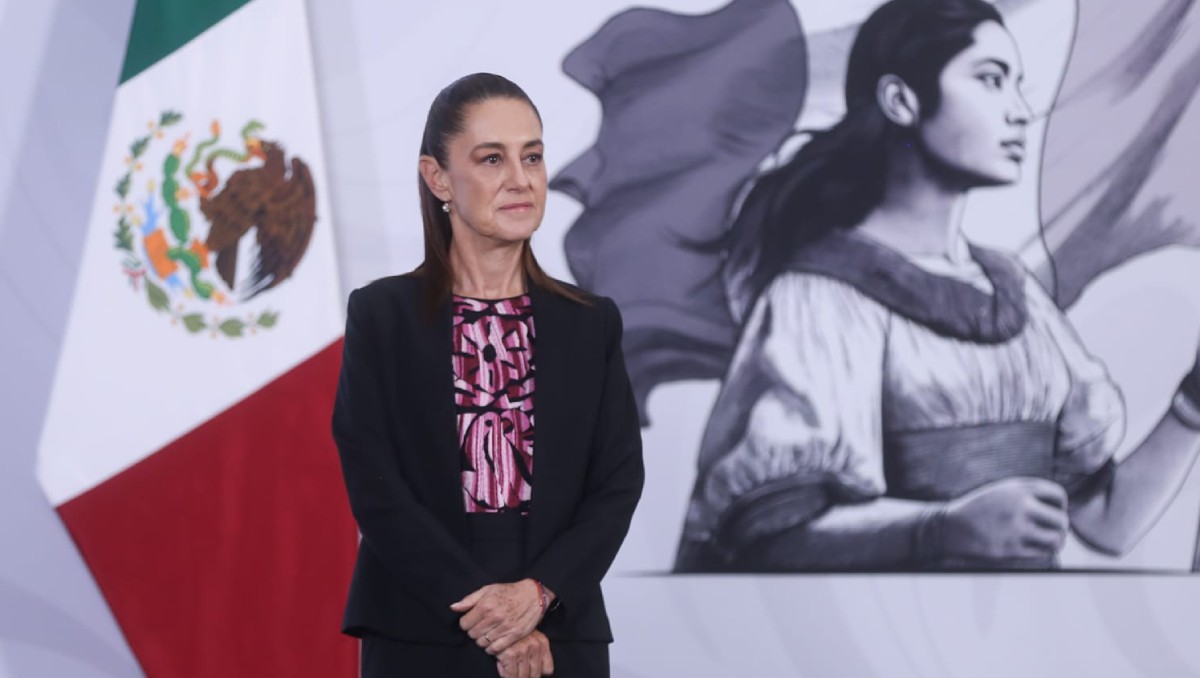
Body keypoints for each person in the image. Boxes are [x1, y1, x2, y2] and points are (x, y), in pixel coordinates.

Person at [674, 0, 1200, 572]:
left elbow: (1106, 521)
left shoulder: (1015, 293)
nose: (1021, 111)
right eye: (991, 80)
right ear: (902, 101)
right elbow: (766, 536)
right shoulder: (819, 298)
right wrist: (940, 529)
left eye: (1017, 85)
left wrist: (1193, 402)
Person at [333, 72, 644, 677]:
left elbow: (617, 484)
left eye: (532, 156)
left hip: (560, 631)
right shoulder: (380, 316)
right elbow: (376, 488)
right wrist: (492, 617)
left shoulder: (591, 323)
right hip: (419, 628)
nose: (520, 179)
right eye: (492, 159)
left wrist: (537, 596)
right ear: (438, 177)